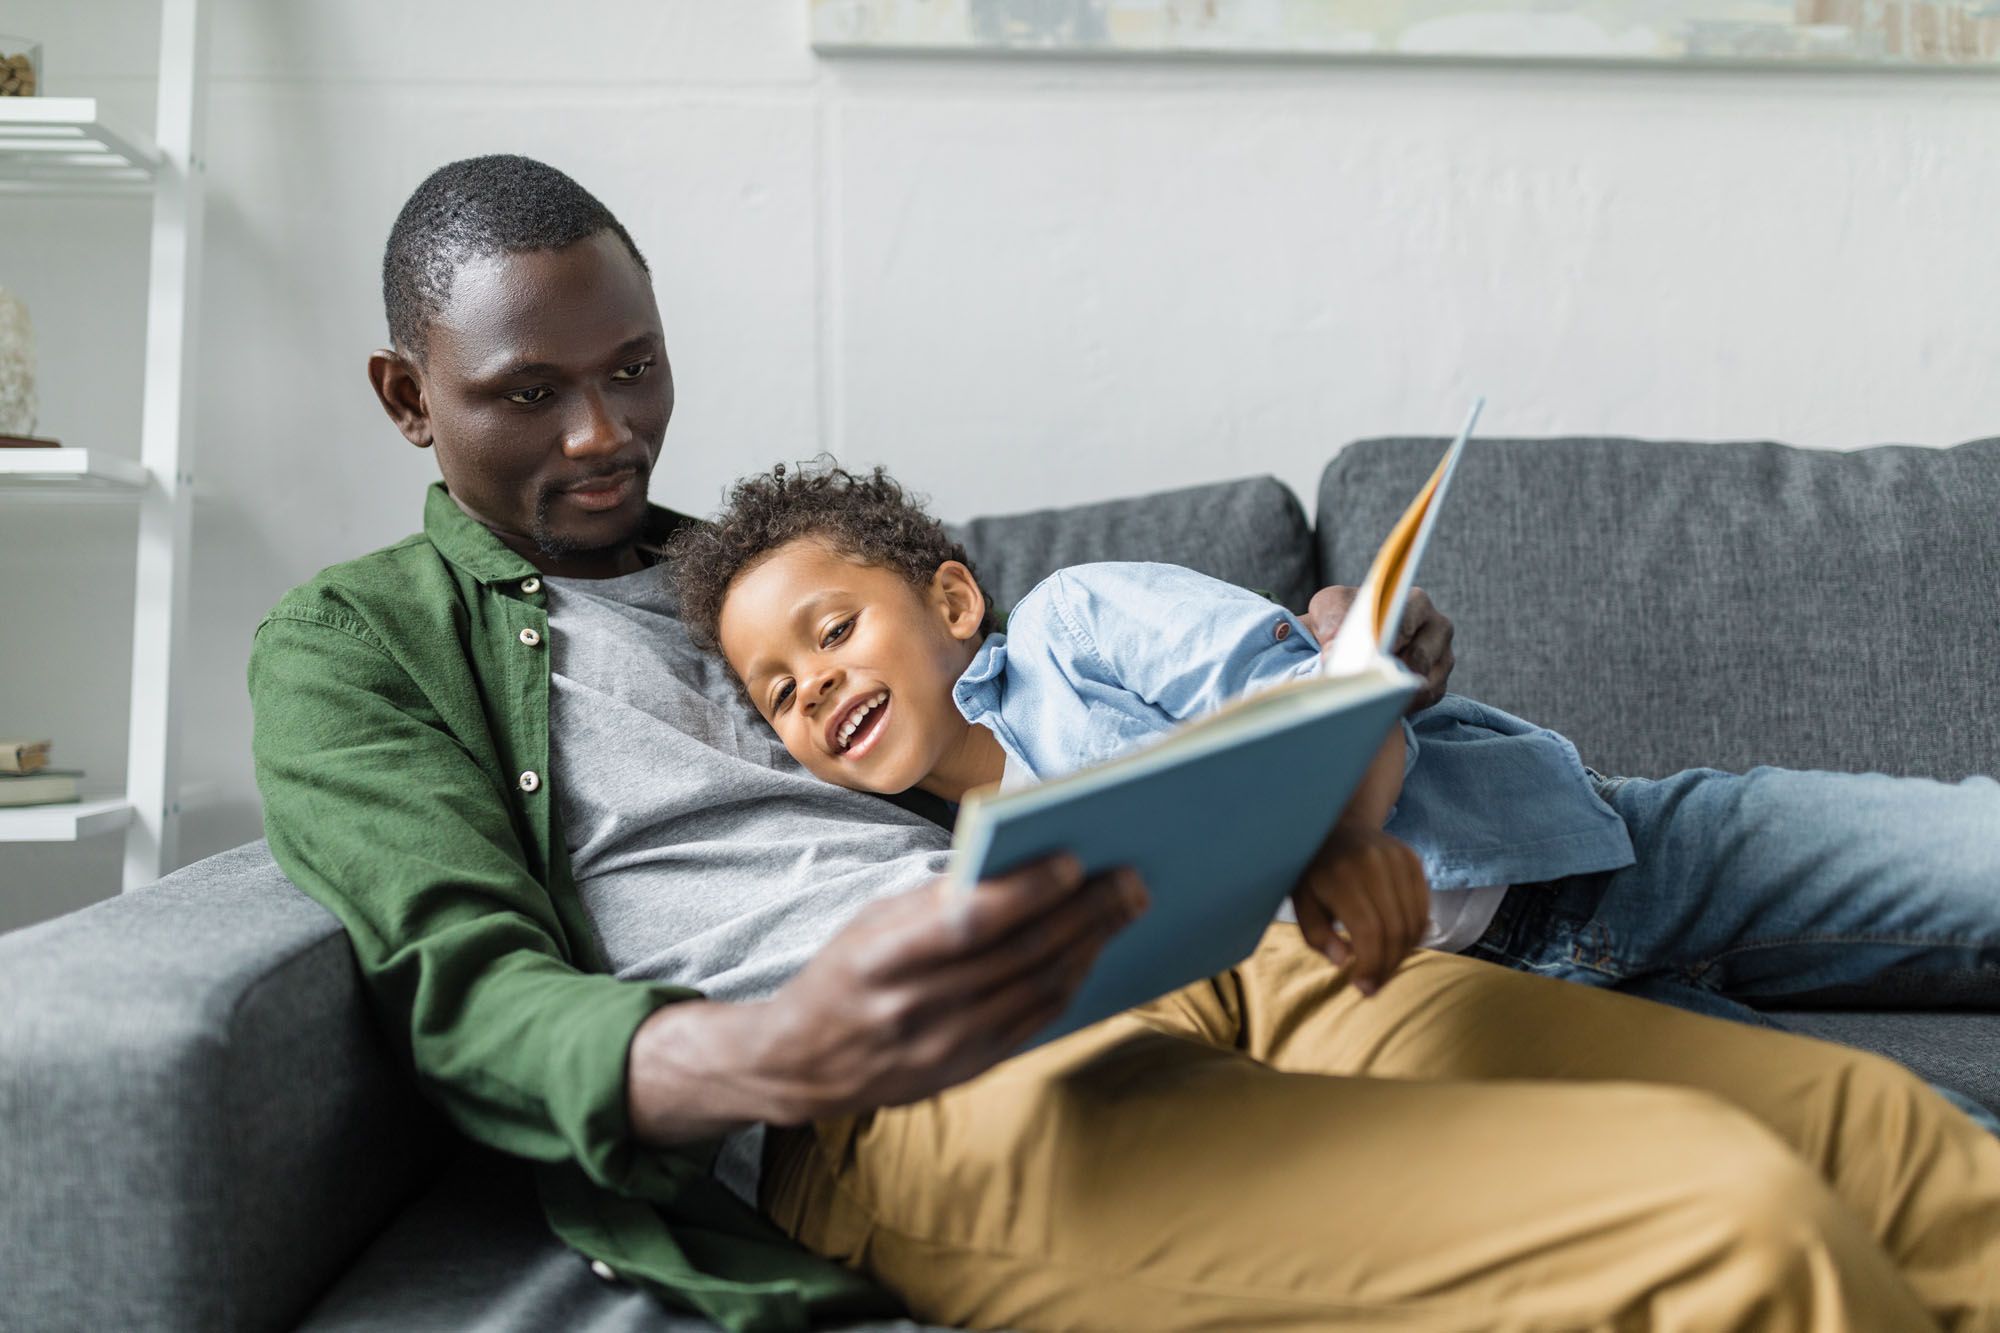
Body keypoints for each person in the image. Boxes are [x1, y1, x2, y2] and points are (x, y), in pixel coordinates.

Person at [248, 154, 2000, 1332]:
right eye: (527, 396)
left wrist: (1341, 720)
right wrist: (772, 1047)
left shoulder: (751, 579)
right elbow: (460, 990)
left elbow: (1061, 726)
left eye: (633, 369)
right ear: (409, 398)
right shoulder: (353, 647)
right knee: (1725, 1217)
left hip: (1185, 950)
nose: (605, 431)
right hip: (916, 1089)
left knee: (1872, 1129)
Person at [671, 459, 2000, 1129]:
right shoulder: (967, 883)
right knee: (1905, 1136)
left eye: (833, 631)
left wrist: (1354, 708)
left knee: (1968, 857)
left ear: (952, 597)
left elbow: (1286, 691)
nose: (817, 689)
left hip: (1600, 852)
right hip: (1512, 1021)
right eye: (781, 691)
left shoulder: (1076, 624)